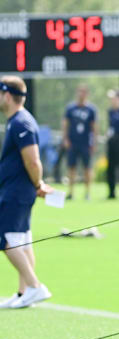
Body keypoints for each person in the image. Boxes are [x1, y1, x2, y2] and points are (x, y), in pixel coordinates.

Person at [0, 76, 54, 309]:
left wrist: (38, 182)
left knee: (6, 239)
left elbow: (33, 161)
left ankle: (34, 286)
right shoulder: (15, 120)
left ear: (7, 95)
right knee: (21, 240)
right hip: (16, 189)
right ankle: (24, 293)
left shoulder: (21, 122)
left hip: (17, 191)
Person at [62, 84, 97, 200]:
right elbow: (65, 124)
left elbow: (94, 127)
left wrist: (94, 142)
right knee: (71, 167)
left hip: (85, 143)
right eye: (79, 92)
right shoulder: (71, 108)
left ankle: (87, 193)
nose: (81, 94)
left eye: (83, 92)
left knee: (87, 168)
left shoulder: (91, 109)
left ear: (87, 94)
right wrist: (65, 139)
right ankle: (71, 192)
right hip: (73, 142)